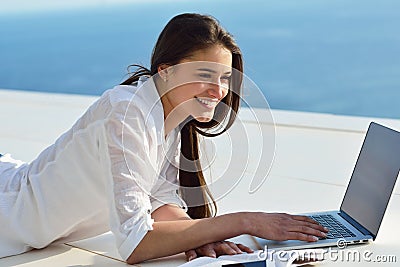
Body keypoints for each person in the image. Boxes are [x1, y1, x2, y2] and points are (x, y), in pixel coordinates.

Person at [0, 13, 328, 264]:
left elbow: (159, 203)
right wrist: (245, 222)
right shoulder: (127, 113)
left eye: (225, 78)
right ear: (166, 70)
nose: (219, 91)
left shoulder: (167, 116)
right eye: (204, 75)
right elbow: (135, 243)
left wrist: (197, 237)